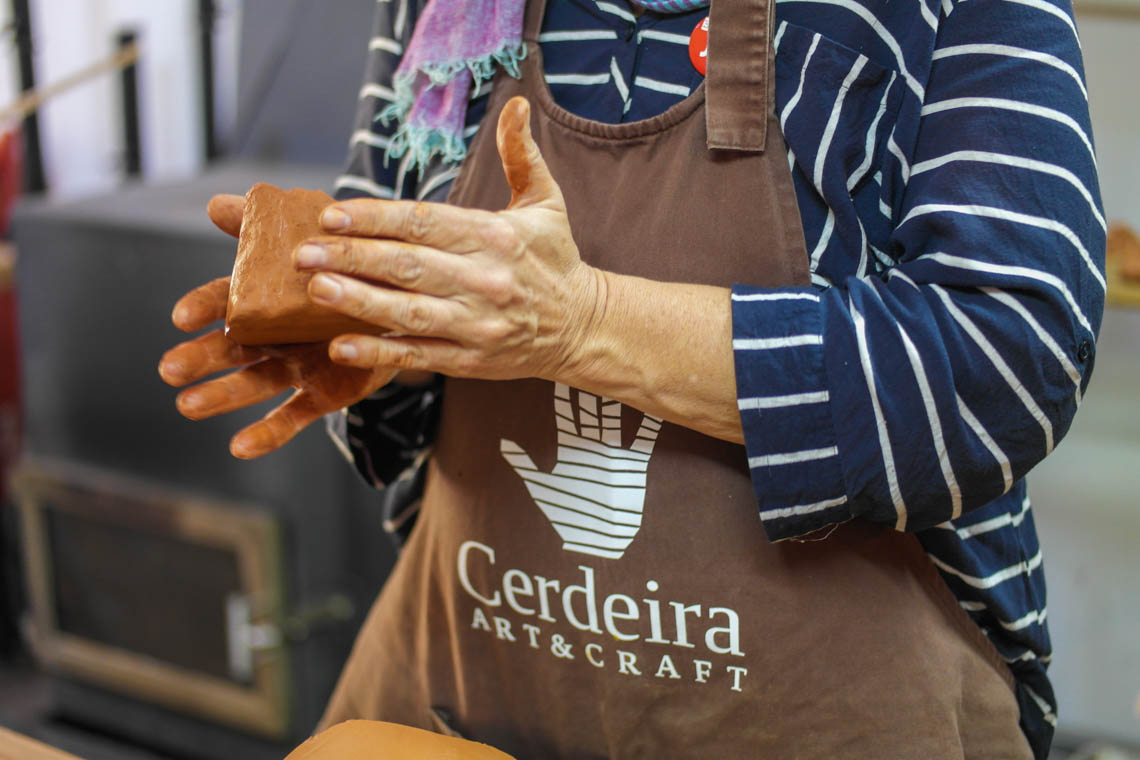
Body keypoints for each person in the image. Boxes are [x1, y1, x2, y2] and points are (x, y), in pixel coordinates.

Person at [159, 0, 1104, 757]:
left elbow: (1003, 364)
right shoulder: (447, 16)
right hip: (470, 699)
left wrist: (585, 325)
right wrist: (375, 336)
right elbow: (388, 231)